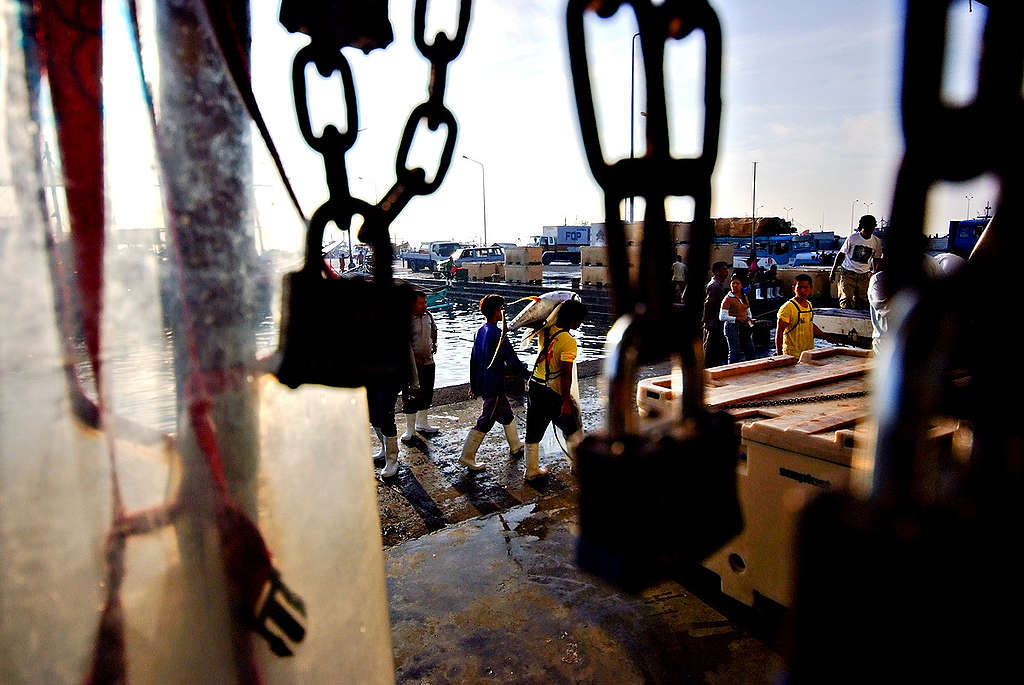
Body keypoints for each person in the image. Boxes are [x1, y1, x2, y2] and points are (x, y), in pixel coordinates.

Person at [459, 295, 530, 471]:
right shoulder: (498, 334)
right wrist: (527, 374)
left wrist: (474, 384)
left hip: (483, 382)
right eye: (501, 309)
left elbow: (473, 360)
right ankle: (467, 456)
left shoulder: (481, 331)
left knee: (506, 415)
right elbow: (512, 360)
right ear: (496, 311)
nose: (503, 312)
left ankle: (515, 445)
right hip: (494, 385)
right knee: (486, 420)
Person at [524, 299, 587, 479]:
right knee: (572, 427)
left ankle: (531, 470)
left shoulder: (545, 330)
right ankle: (578, 466)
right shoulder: (568, 341)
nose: (580, 324)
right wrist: (566, 401)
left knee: (534, 428)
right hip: (553, 392)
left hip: (535, 385)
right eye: (579, 320)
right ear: (572, 319)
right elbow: (566, 374)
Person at [401, 290, 440, 443]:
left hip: (429, 361)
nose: (424, 305)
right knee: (410, 395)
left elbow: (434, 331)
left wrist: (434, 345)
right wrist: (414, 357)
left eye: (425, 302)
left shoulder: (428, 316)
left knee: (427, 391)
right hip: (412, 365)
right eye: (421, 303)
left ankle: (422, 424)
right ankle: (410, 430)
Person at [775, 273, 837, 358]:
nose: (802, 291)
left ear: (811, 288)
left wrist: (828, 338)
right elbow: (779, 332)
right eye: (799, 287)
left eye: (805, 287)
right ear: (794, 289)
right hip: (792, 355)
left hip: (808, 353)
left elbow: (809, 325)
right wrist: (779, 356)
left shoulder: (809, 305)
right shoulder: (787, 308)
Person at [830, 215, 883, 309]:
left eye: (872, 227)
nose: (870, 229)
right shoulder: (853, 238)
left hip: (864, 277)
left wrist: (874, 273)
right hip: (848, 274)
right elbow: (841, 254)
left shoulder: (876, 242)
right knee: (846, 302)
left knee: (863, 303)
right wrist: (833, 271)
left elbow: (877, 259)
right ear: (862, 226)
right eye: (867, 227)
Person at [720, 274, 756, 363]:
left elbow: (748, 311)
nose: (735, 285)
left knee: (750, 351)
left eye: (737, 283)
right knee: (735, 352)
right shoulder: (728, 299)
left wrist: (749, 319)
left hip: (744, 327)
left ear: (742, 285)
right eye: (733, 283)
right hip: (732, 327)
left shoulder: (744, 297)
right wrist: (736, 319)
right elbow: (722, 316)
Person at [368, 385, 402, 478]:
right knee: (373, 415)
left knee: (386, 416)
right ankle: (385, 449)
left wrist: (412, 381)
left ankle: (392, 459)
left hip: (388, 378)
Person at [702, 261, 731, 367]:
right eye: (724, 269)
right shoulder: (715, 286)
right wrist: (706, 321)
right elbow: (708, 304)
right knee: (709, 348)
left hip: (716, 321)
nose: (726, 272)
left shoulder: (718, 285)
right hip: (713, 322)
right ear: (716, 271)